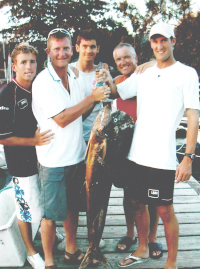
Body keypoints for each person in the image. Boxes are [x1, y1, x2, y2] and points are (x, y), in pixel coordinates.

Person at [96, 22, 199, 269]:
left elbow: (193, 116)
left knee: (164, 211)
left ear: (173, 41)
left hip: (161, 157)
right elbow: (114, 92)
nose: (159, 45)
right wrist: (107, 77)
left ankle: (171, 263)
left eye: (164, 40)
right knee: (136, 205)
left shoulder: (187, 73)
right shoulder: (145, 72)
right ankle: (142, 249)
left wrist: (188, 157)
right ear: (150, 43)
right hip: (135, 155)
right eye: (155, 40)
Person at [32, 28, 110, 268]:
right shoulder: (43, 81)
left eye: (66, 47)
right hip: (53, 160)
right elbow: (63, 118)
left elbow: (81, 112)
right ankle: (48, 261)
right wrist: (93, 98)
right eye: (57, 48)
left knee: (72, 209)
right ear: (48, 52)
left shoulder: (74, 76)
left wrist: (100, 99)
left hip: (77, 156)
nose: (62, 53)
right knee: (50, 215)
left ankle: (71, 250)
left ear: (71, 49)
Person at [0, 43, 54, 269]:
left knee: (43, 202)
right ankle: (31, 252)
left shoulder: (40, 87)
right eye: (23, 62)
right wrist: (32, 141)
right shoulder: (7, 94)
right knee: (24, 207)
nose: (28, 66)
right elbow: (2, 137)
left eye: (32, 61)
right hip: (20, 163)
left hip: (45, 159)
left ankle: (49, 237)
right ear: (14, 66)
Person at [56, 29, 109, 252]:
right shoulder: (68, 73)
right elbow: (69, 115)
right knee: (73, 197)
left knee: (98, 196)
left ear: (98, 49)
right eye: (84, 46)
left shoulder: (103, 71)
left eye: (93, 46)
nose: (88, 50)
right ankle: (71, 243)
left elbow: (108, 105)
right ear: (77, 47)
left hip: (98, 145)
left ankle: (93, 240)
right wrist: (92, 98)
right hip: (74, 143)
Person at [113, 43, 163, 259]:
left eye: (127, 57)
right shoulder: (116, 83)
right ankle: (130, 232)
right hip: (124, 147)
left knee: (151, 195)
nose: (123, 62)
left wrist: (153, 63)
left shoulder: (149, 75)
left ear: (136, 58)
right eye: (118, 59)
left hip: (147, 144)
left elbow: (164, 66)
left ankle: (151, 238)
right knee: (129, 194)